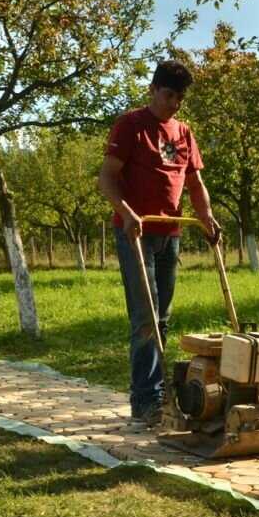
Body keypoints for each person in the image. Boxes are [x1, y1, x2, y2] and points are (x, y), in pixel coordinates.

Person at [98, 60, 220, 426]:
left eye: (180, 97)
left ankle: (161, 392)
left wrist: (207, 216)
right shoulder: (131, 125)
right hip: (136, 233)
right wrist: (127, 211)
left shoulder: (183, 133)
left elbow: (195, 184)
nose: (175, 103)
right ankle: (146, 403)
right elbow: (106, 178)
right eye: (169, 95)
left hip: (170, 234)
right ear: (152, 89)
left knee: (161, 317)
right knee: (145, 319)